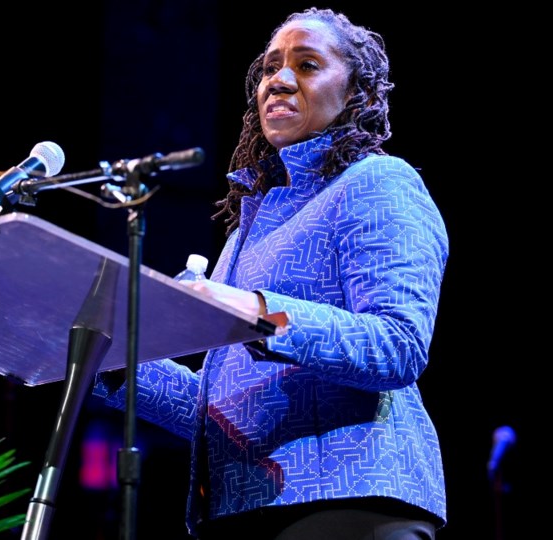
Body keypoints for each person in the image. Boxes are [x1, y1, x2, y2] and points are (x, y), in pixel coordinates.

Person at [93, 7, 448, 540]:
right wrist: (114, 356)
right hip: (244, 508)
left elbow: (396, 345)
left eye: (307, 65)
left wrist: (255, 310)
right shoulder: (247, 230)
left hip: (347, 500)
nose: (278, 79)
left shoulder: (378, 181)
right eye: (269, 67)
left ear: (356, 94)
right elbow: (217, 410)